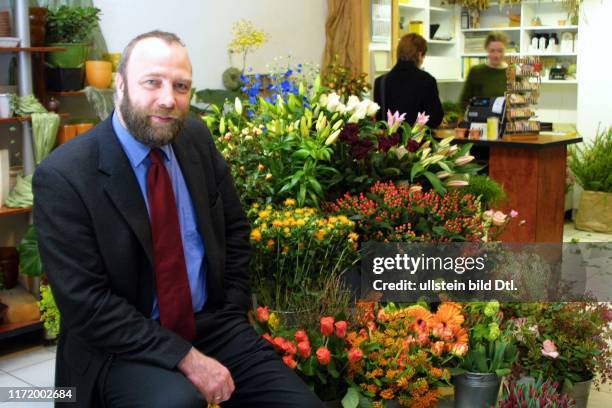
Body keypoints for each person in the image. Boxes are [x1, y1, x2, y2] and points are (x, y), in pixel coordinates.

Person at [33, 31, 324, 408]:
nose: (168, 99)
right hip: (120, 347)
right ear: (119, 86)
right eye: (152, 82)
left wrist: (233, 311)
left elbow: (234, 231)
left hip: (211, 326)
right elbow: (86, 304)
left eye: (181, 86)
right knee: (178, 402)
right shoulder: (65, 176)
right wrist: (187, 359)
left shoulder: (195, 139)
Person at [374, 33, 444, 128]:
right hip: (417, 142)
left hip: (388, 141)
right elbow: (435, 118)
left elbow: (379, 119)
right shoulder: (427, 81)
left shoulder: (380, 82)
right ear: (419, 54)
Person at [459, 32, 509, 108]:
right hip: (480, 118)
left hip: (506, 119)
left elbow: (521, 105)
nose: (496, 55)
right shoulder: (476, 72)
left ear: (505, 50)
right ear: (486, 49)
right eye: (492, 51)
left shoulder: (514, 73)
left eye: (500, 51)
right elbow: (464, 101)